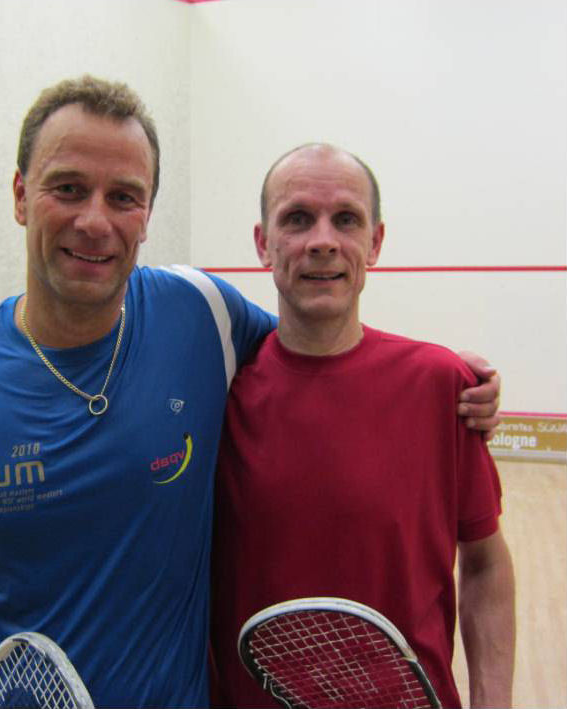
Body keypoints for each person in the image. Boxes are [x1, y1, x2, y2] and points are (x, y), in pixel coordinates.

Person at [0, 76, 501, 707]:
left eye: (123, 196)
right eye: (68, 188)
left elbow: (316, 345)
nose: (94, 221)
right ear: (20, 195)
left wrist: (447, 378)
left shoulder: (200, 314)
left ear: (146, 216)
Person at [208, 144, 515, 708]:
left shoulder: (442, 386)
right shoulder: (216, 395)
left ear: (374, 243)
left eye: (346, 219)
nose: (322, 240)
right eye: (298, 218)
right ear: (263, 243)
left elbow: (486, 563)